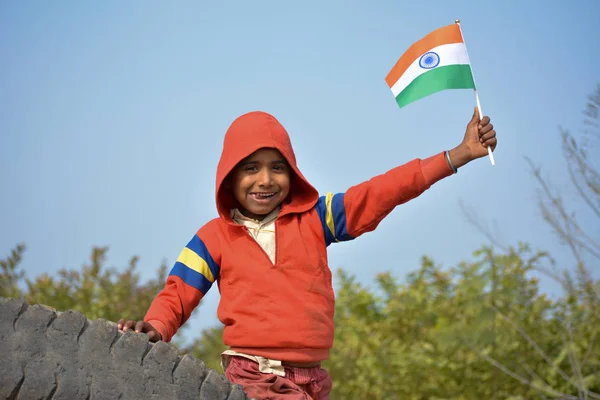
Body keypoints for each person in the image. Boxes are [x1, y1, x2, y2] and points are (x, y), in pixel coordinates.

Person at [118, 108, 497, 399]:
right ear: (229, 177)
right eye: (251, 168)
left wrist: (458, 155)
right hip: (256, 376)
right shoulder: (215, 237)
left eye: (277, 168)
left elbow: (382, 191)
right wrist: (156, 327)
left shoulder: (317, 218)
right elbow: (179, 290)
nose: (265, 180)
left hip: (313, 378)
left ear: (293, 173)